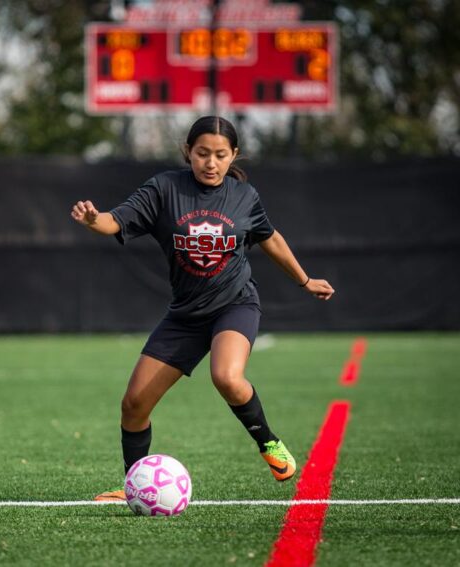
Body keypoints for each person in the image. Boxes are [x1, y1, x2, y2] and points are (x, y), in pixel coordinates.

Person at [71, 116, 335, 501]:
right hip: (185, 315)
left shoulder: (244, 196)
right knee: (133, 404)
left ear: (234, 156)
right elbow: (116, 221)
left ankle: (269, 443)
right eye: (202, 153)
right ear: (188, 152)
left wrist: (304, 279)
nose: (210, 163)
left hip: (235, 304)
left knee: (227, 377)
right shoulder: (164, 189)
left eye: (220, 155)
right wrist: (95, 220)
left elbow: (270, 238)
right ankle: (135, 485)